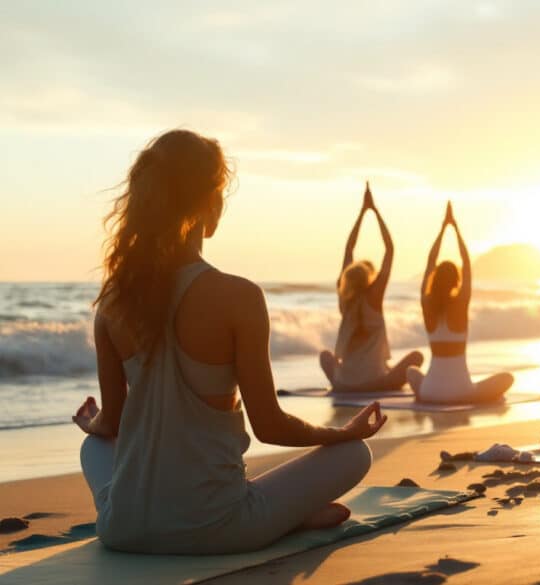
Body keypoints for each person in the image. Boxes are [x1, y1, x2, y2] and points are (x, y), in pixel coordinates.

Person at [73, 129, 386, 554]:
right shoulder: (239, 296)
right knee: (356, 455)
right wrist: (341, 434)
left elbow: (111, 424)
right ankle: (286, 517)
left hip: (121, 528)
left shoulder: (113, 299)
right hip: (216, 528)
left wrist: (91, 423)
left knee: (94, 446)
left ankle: (280, 512)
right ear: (209, 203)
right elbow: (270, 426)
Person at [319, 182, 423, 393]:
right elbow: (389, 249)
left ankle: (348, 380)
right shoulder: (374, 296)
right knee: (417, 358)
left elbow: (349, 249)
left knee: (325, 356)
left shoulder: (344, 300)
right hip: (375, 383)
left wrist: (361, 213)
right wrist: (374, 211)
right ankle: (379, 371)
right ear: (369, 279)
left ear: (347, 279)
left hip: (343, 383)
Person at [406, 202, 514, 403]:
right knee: (508, 378)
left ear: (434, 279)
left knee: (412, 372)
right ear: (456, 280)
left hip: (429, 392)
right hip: (462, 392)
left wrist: (441, 230)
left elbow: (430, 263)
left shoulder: (427, 303)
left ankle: (430, 392)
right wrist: (454, 228)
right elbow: (466, 263)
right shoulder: (461, 303)